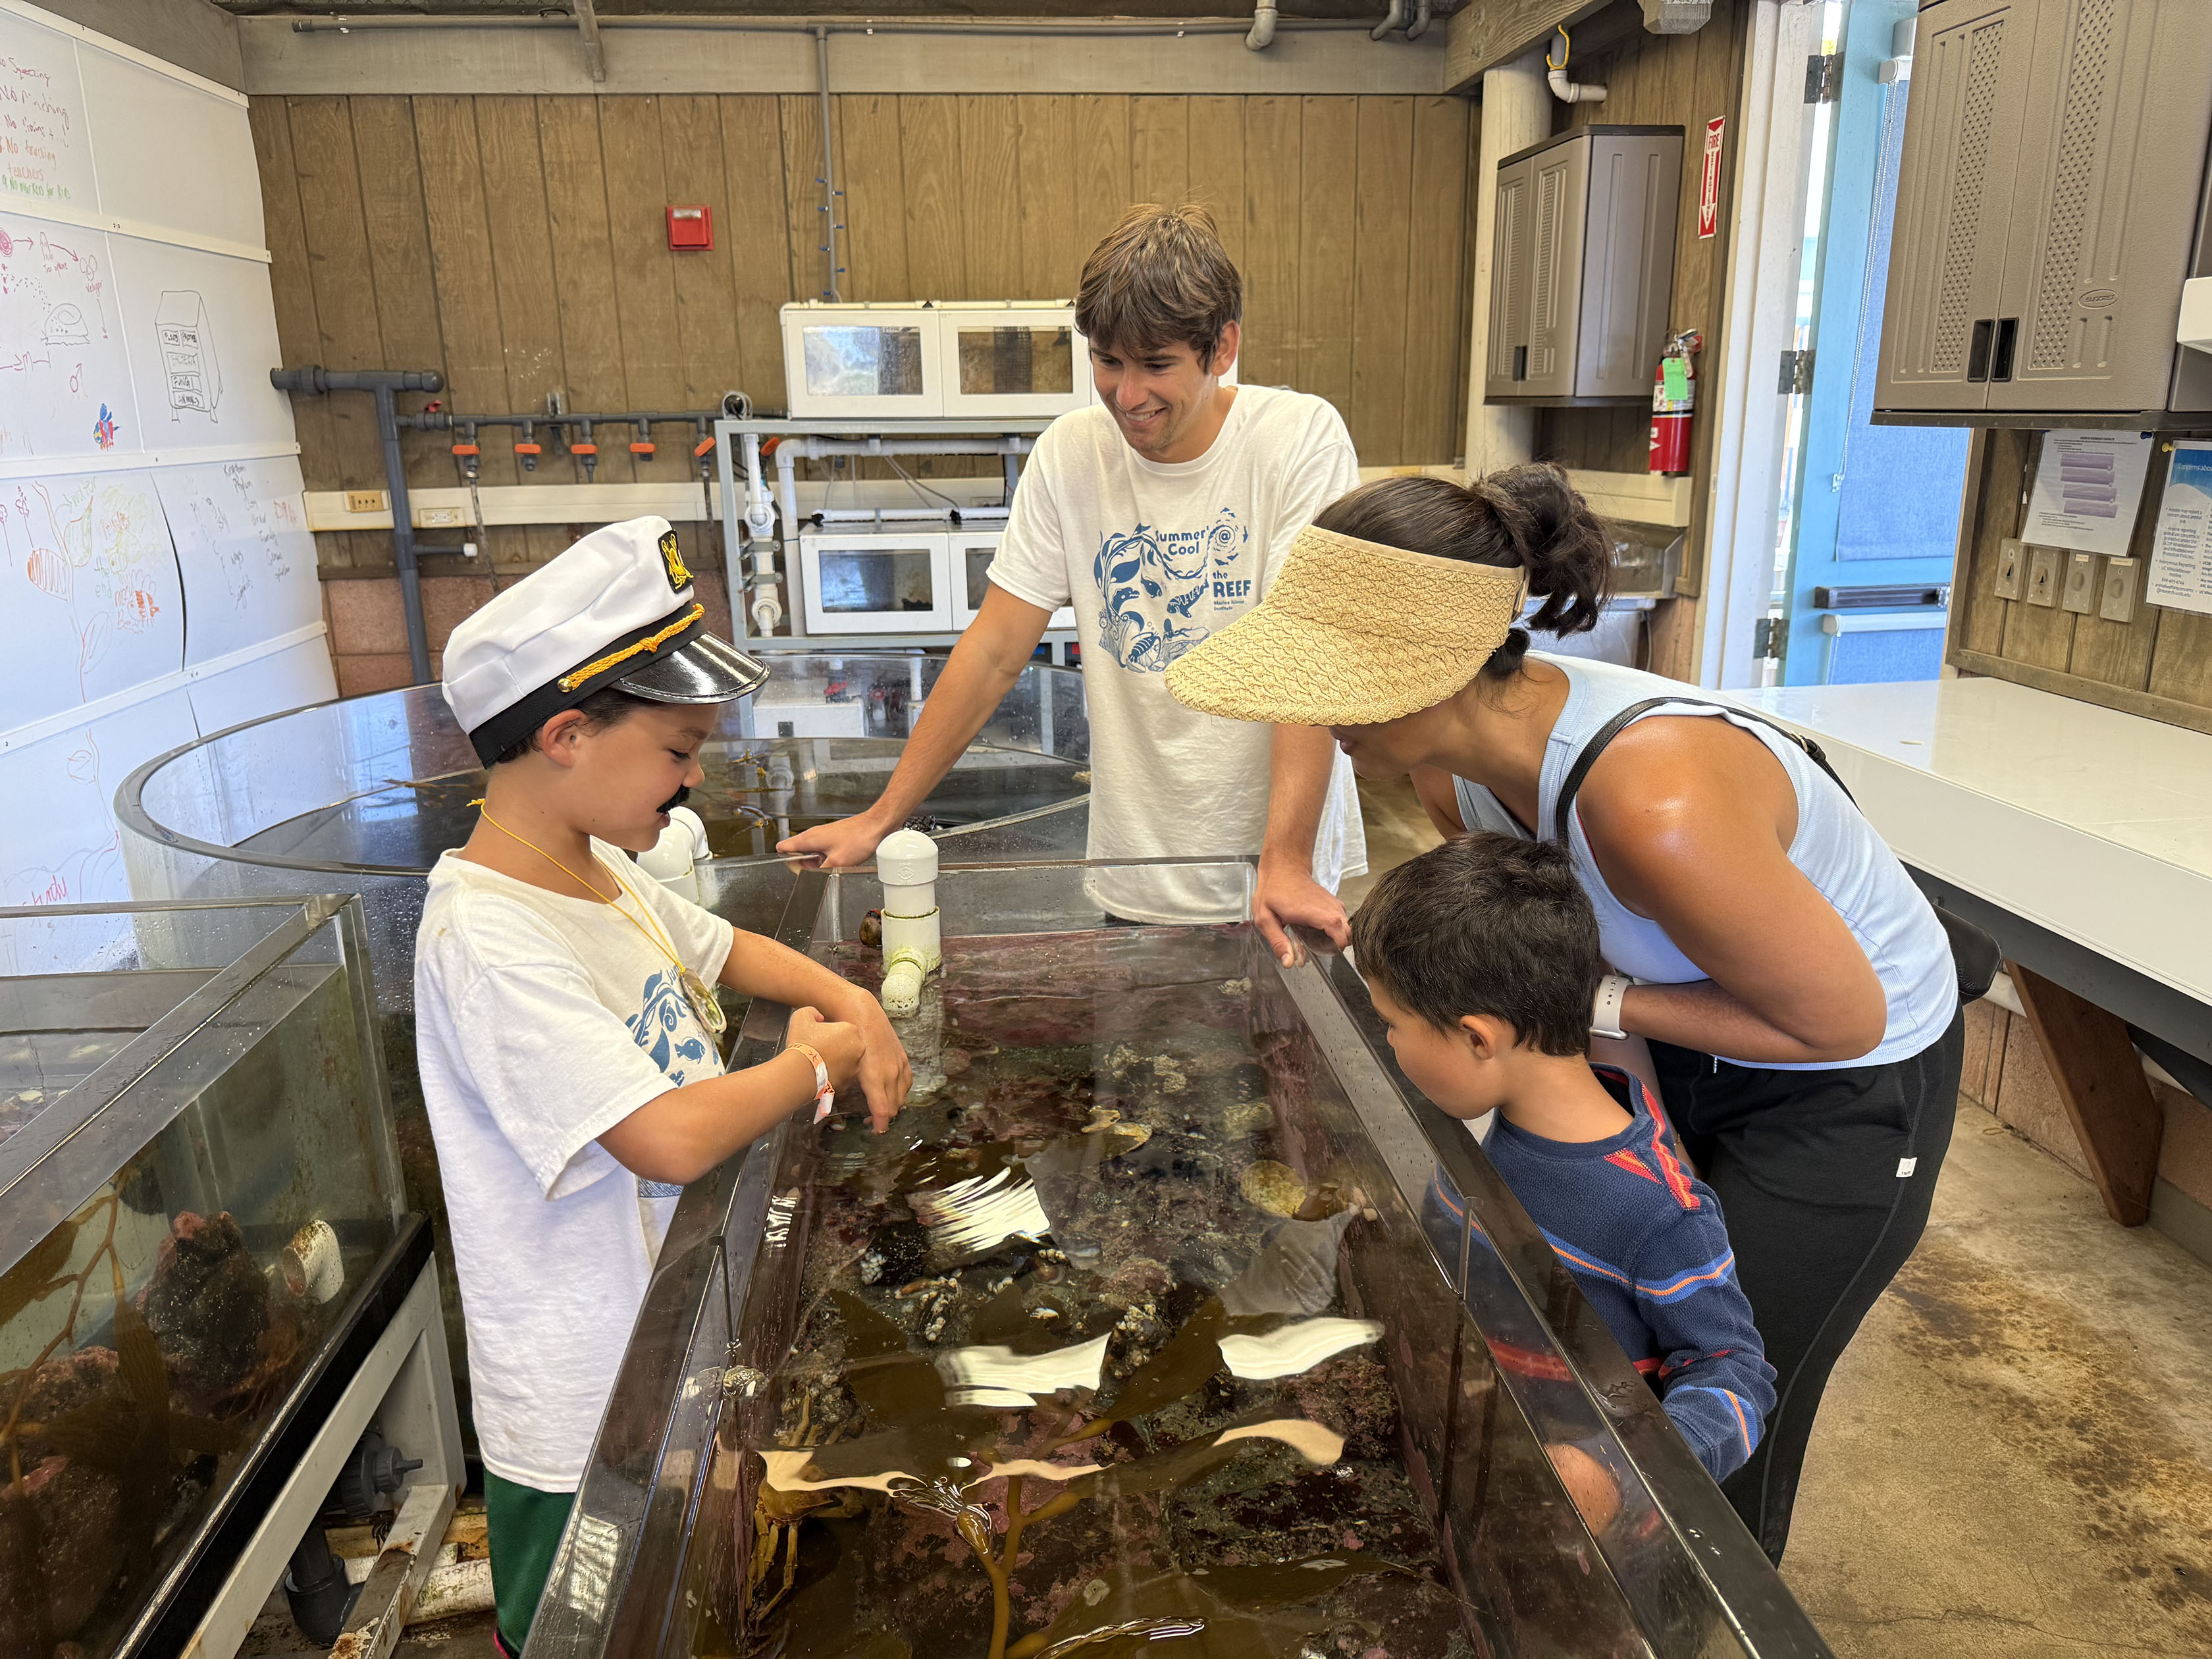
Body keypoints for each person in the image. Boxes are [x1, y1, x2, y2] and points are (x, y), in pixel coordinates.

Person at [1163, 465, 1963, 1564]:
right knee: (1607, 1336)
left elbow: (1839, 1022)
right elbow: (1547, 961)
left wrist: (1599, 1003)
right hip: (1686, 1028)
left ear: (1430, 671)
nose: (1312, 713)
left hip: (1844, 1075)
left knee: (1727, 1409)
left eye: (1331, 680)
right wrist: (1624, 1135)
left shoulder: (1651, 800)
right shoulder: (1455, 771)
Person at [417, 517, 914, 1655]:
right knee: (590, 1630)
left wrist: (864, 1005)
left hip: (667, 1344)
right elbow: (669, 1139)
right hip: (584, 1405)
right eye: (678, 750)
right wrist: (815, 1061)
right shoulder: (489, 937)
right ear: (565, 736)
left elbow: (729, 949)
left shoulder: (594, 872)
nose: (694, 784)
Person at [776, 203, 1365, 959]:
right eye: (1107, 361)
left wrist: (1285, 859)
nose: (1126, 395)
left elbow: (1303, 657)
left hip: (1277, 876)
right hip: (1138, 865)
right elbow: (993, 651)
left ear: (1223, 347)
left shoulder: (1299, 439)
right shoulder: (1071, 454)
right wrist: (881, 816)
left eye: (1157, 365)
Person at [1350, 830, 1775, 1515]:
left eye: (1392, 1024)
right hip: (1481, 1465)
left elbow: (1737, 1376)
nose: (1390, 1043)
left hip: (1574, 1530)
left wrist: (1611, 1478)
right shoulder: (1481, 1127)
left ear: (1476, 1038)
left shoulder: (1660, 1211)